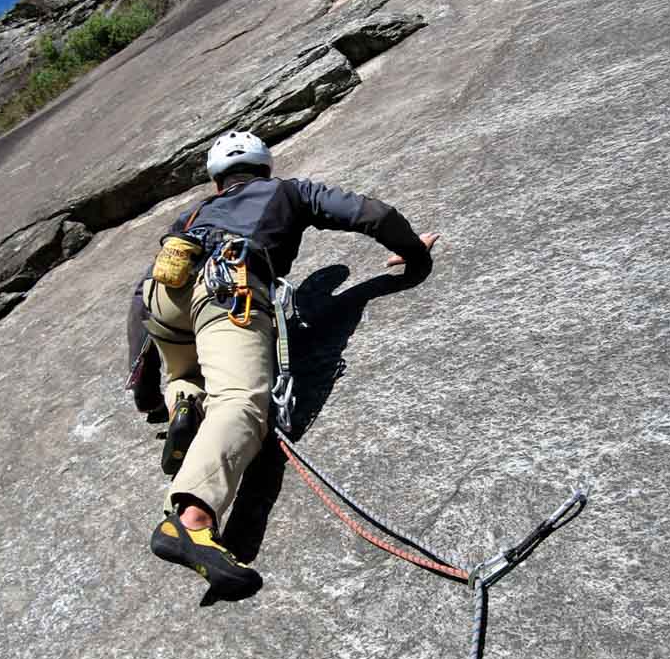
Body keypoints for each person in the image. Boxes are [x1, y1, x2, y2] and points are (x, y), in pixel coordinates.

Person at [128, 129, 438, 600]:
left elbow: (140, 296)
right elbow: (369, 213)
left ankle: (183, 404)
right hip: (228, 290)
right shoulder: (288, 191)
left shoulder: (190, 215)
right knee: (241, 401)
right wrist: (413, 250)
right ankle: (189, 520)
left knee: (187, 374)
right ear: (264, 167)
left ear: (217, 182)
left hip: (165, 302)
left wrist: (143, 387)